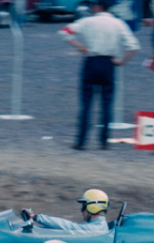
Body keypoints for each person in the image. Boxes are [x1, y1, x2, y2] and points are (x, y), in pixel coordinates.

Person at [58, 0, 140, 151]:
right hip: (109, 63)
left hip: (91, 62)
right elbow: (133, 46)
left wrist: (81, 47)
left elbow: (65, 32)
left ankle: (81, 141)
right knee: (107, 105)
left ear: (97, 6)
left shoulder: (87, 21)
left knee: (86, 104)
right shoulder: (118, 23)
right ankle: (104, 141)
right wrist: (122, 61)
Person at [22, 189, 110, 233]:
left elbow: (69, 226)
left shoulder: (96, 229)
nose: (81, 211)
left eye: (83, 207)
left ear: (93, 207)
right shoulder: (98, 225)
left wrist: (36, 217)